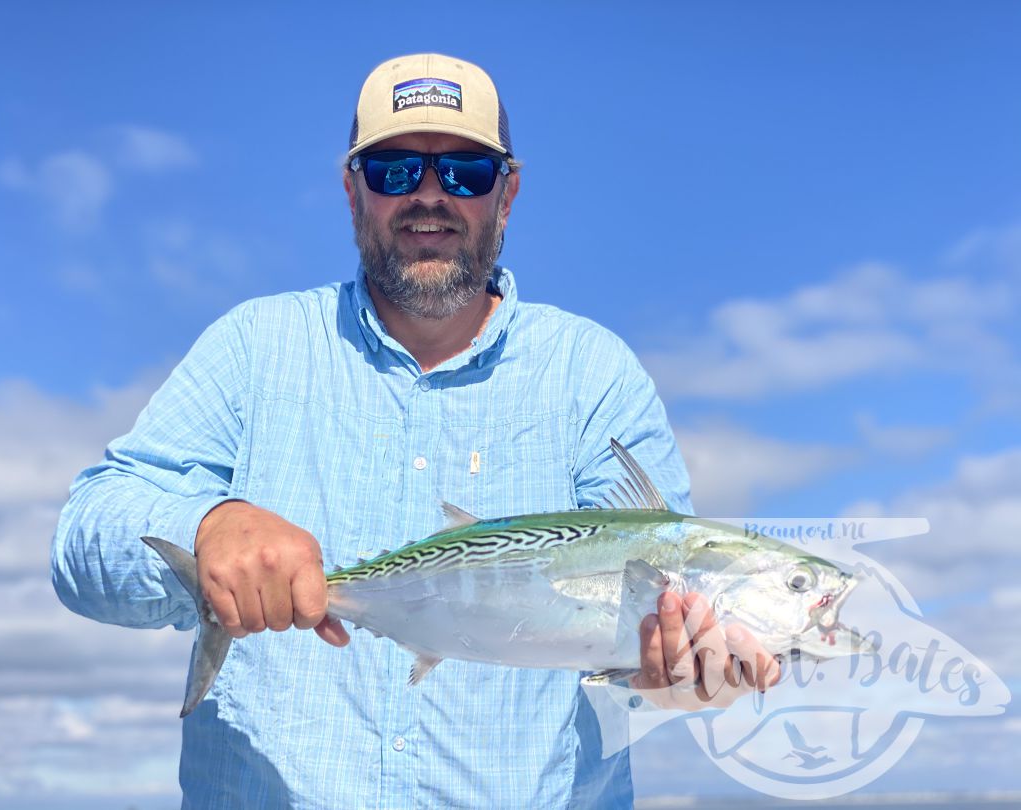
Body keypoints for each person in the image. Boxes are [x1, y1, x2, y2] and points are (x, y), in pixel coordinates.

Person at [52, 53, 778, 809]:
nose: (430, 197)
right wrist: (206, 527)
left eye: (465, 172)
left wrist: (682, 677)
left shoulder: (596, 374)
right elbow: (84, 538)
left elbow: (643, 657)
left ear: (509, 193)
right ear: (350, 189)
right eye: (395, 170)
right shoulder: (253, 347)